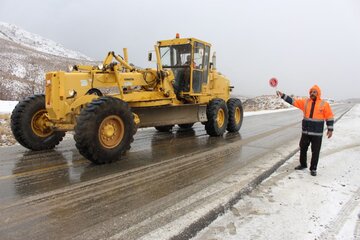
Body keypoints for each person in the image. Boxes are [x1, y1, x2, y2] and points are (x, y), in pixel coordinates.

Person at [277, 85, 334, 176]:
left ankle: (313, 168)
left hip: (317, 134)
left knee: (315, 151)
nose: (312, 93)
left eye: (314, 92)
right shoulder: (306, 102)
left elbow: (329, 116)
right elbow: (294, 101)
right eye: (311, 92)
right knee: (303, 149)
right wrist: (283, 95)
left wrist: (330, 129)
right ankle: (303, 164)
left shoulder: (324, 104)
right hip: (306, 132)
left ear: (318, 93)